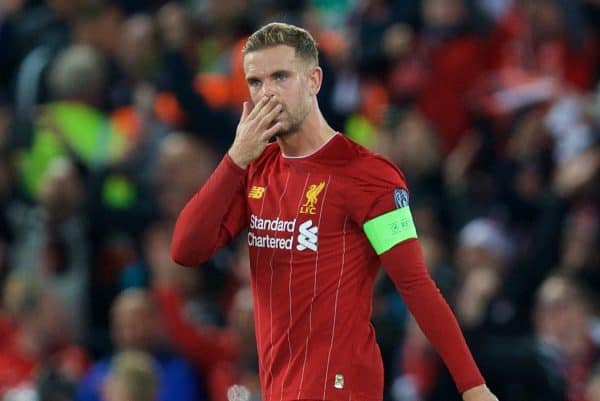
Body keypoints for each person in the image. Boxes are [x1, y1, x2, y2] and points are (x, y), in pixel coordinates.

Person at [171, 22, 499, 401]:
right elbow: (185, 249)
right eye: (256, 82)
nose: (267, 94)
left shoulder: (369, 176)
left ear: (314, 80)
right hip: (279, 388)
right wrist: (235, 159)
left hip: (341, 388)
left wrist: (472, 385)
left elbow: (415, 285)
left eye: (280, 76)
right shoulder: (255, 169)